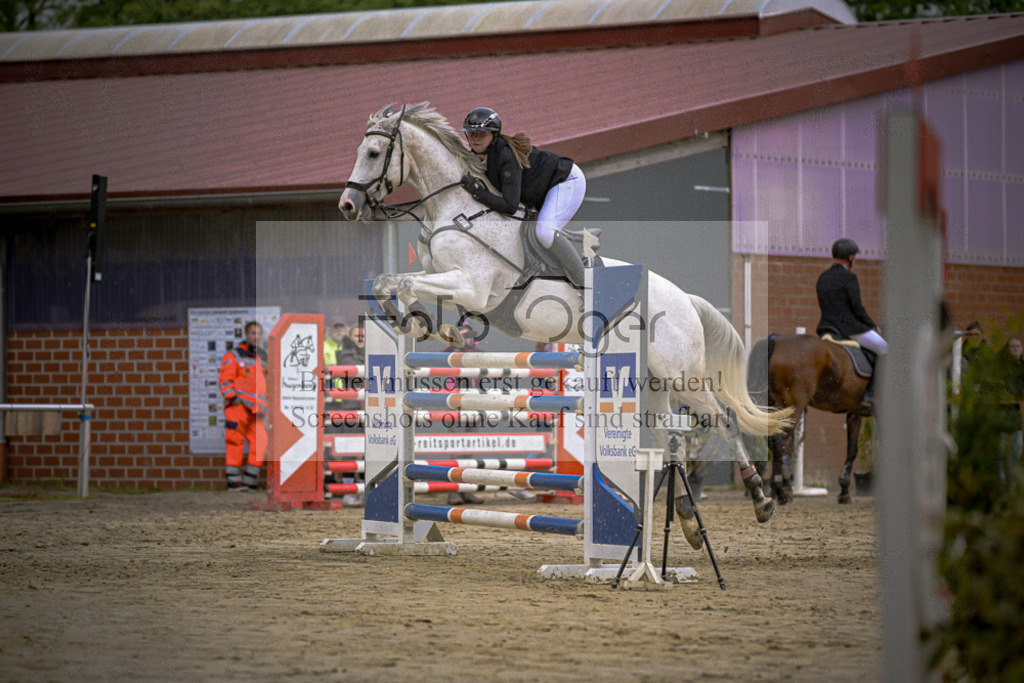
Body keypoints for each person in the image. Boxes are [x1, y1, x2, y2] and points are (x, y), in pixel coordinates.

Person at [458, 106, 587, 288]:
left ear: (494, 135)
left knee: (545, 231)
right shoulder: (478, 156)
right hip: (545, 188)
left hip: (566, 181)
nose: (475, 139)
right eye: (471, 134)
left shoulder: (505, 156)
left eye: (482, 134)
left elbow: (510, 206)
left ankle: (586, 284)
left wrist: (479, 193)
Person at [815, 238, 887, 409]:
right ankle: (871, 393)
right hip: (850, 329)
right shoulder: (850, 278)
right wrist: (872, 325)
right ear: (851, 257)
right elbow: (858, 308)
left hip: (827, 328)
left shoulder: (822, 277)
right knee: (885, 349)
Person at [218, 321, 268, 490]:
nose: (256, 336)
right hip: (237, 407)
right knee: (234, 442)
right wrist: (233, 398)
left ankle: (249, 480)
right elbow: (225, 381)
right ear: (246, 335)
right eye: (253, 333)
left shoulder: (262, 357)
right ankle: (233, 481)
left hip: (257, 410)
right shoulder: (233, 355)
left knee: (261, 442)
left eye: (259, 333)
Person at [441, 324, 485, 506]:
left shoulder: (478, 352)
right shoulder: (449, 351)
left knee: (469, 450)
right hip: (456, 406)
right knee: (457, 449)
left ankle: (466, 490)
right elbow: (443, 356)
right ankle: (453, 492)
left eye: (469, 336)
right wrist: (456, 344)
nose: (466, 339)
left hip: (474, 404)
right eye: (463, 336)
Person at [334, 322, 366, 507]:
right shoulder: (345, 354)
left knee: (367, 451)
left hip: (369, 409)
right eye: (356, 336)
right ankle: (347, 490)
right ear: (350, 338)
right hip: (351, 409)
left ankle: (362, 489)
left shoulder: (371, 352)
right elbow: (356, 375)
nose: (360, 339)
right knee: (350, 451)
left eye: (363, 336)